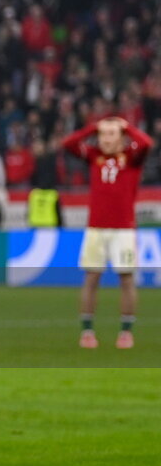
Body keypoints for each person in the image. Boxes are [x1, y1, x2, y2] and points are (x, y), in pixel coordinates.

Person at [61, 116, 154, 349]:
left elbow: (146, 143)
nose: (106, 139)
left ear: (121, 137)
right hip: (96, 228)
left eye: (112, 134)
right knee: (91, 278)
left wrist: (127, 127)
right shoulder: (94, 156)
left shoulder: (132, 158)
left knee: (126, 279)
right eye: (103, 135)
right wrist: (93, 127)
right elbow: (68, 144)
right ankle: (87, 332)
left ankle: (125, 332)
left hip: (123, 229)